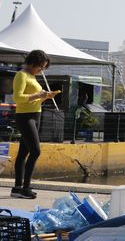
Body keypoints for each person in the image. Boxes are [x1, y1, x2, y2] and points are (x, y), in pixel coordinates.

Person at [12, 50, 59, 199]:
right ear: (32, 63)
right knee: (36, 151)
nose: (42, 70)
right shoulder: (21, 75)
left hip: (35, 115)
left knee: (23, 153)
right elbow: (17, 98)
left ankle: (17, 188)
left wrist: (45, 96)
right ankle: (25, 188)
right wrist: (39, 95)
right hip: (25, 117)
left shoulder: (32, 76)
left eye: (44, 67)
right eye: (40, 66)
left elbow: (34, 99)